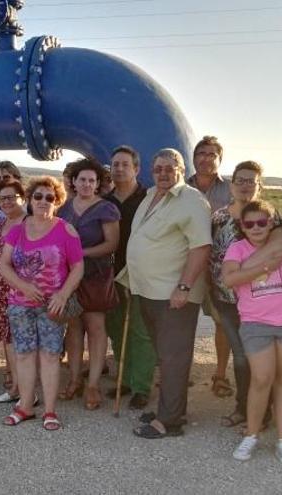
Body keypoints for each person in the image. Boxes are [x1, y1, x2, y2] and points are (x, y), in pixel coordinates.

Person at [126, 148, 211, 439]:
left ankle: (169, 422)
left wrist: (184, 286)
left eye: (169, 168)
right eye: (158, 168)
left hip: (174, 293)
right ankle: (170, 409)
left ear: (181, 169)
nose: (163, 173)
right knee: (165, 354)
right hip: (149, 290)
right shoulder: (151, 195)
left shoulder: (191, 201)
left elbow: (201, 247)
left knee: (174, 356)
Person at [209, 161, 282, 428]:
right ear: (232, 184)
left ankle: (258, 413)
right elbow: (210, 256)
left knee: (260, 358)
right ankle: (245, 409)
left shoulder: (270, 216)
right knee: (242, 356)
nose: (245, 185)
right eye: (240, 180)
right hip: (226, 300)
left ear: (260, 186)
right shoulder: (219, 217)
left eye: (251, 181)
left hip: (261, 301)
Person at [0, 176, 84, 430]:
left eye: (50, 197)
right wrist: (23, 286)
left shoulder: (65, 229)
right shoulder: (17, 231)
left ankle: (49, 410)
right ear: (29, 200)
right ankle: (25, 406)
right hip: (20, 304)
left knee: (49, 356)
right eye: (38, 196)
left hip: (52, 307)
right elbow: (3, 265)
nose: (43, 201)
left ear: (57, 202)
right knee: (24, 355)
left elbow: (78, 267)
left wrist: (62, 294)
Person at [222, 200, 282, 466]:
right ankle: (252, 435)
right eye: (249, 223)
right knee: (261, 379)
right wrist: (262, 268)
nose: (256, 228)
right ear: (242, 227)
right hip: (256, 323)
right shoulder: (237, 249)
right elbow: (229, 279)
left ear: (271, 224)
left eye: (262, 222)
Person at [57, 158, 120, 410]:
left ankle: (92, 384)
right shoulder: (63, 208)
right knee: (73, 328)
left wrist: (80, 253)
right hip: (69, 277)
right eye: (81, 179)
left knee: (96, 328)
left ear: (97, 184)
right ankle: (74, 379)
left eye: (91, 180)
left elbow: (111, 244)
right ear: (73, 181)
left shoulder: (106, 208)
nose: (86, 184)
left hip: (96, 275)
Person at [103, 145, 155, 410]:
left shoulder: (150, 198)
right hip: (111, 275)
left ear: (136, 168)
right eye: (115, 165)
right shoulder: (105, 201)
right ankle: (125, 377)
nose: (119, 168)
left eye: (125, 164)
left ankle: (141, 386)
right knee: (116, 328)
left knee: (140, 330)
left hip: (141, 274)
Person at [186, 136, 235, 400]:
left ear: (220, 159)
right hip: (187, 263)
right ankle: (179, 373)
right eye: (201, 153)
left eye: (211, 154)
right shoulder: (181, 188)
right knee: (182, 319)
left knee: (221, 321)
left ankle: (220, 375)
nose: (205, 158)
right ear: (194, 158)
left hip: (220, 265)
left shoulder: (231, 191)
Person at [0, 179, 27, 403]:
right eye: (3, 198)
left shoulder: (28, 223)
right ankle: (16, 389)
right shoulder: (4, 223)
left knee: (21, 342)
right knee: (8, 340)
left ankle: (27, 392)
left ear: (23, 198)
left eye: (12, 197)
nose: (8, 202)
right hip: (0, 292)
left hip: (19, 292)